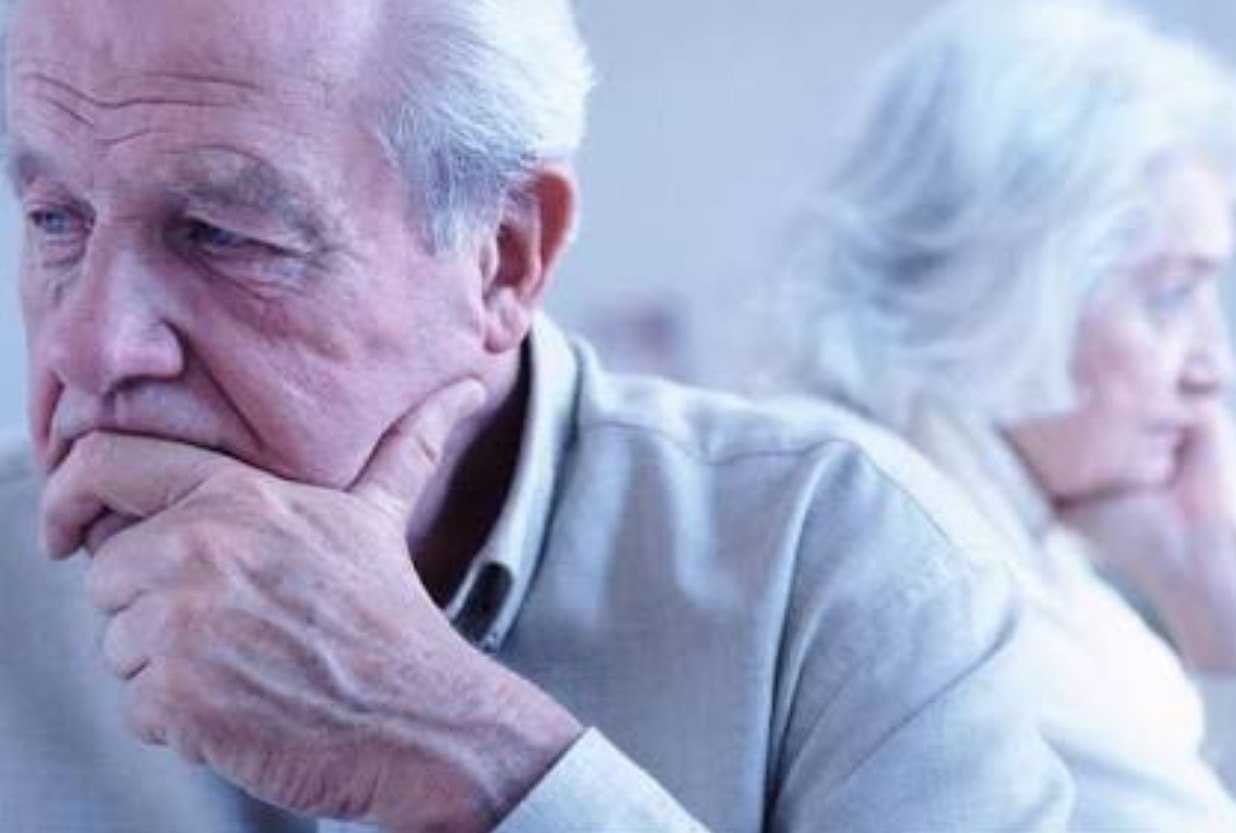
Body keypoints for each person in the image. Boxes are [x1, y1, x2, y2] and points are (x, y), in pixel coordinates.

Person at [0, 0, 1073, 830]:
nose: (86, 347)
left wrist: (470, 752)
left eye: (223, 232)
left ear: (506, 254)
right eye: (54, 219)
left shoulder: (853, 573)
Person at [777, 0, 1236, 829]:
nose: (1215, 365)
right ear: (1008, 284)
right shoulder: (908, 550)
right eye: (1169, 296)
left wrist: (1204, 598)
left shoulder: (1024, 532)